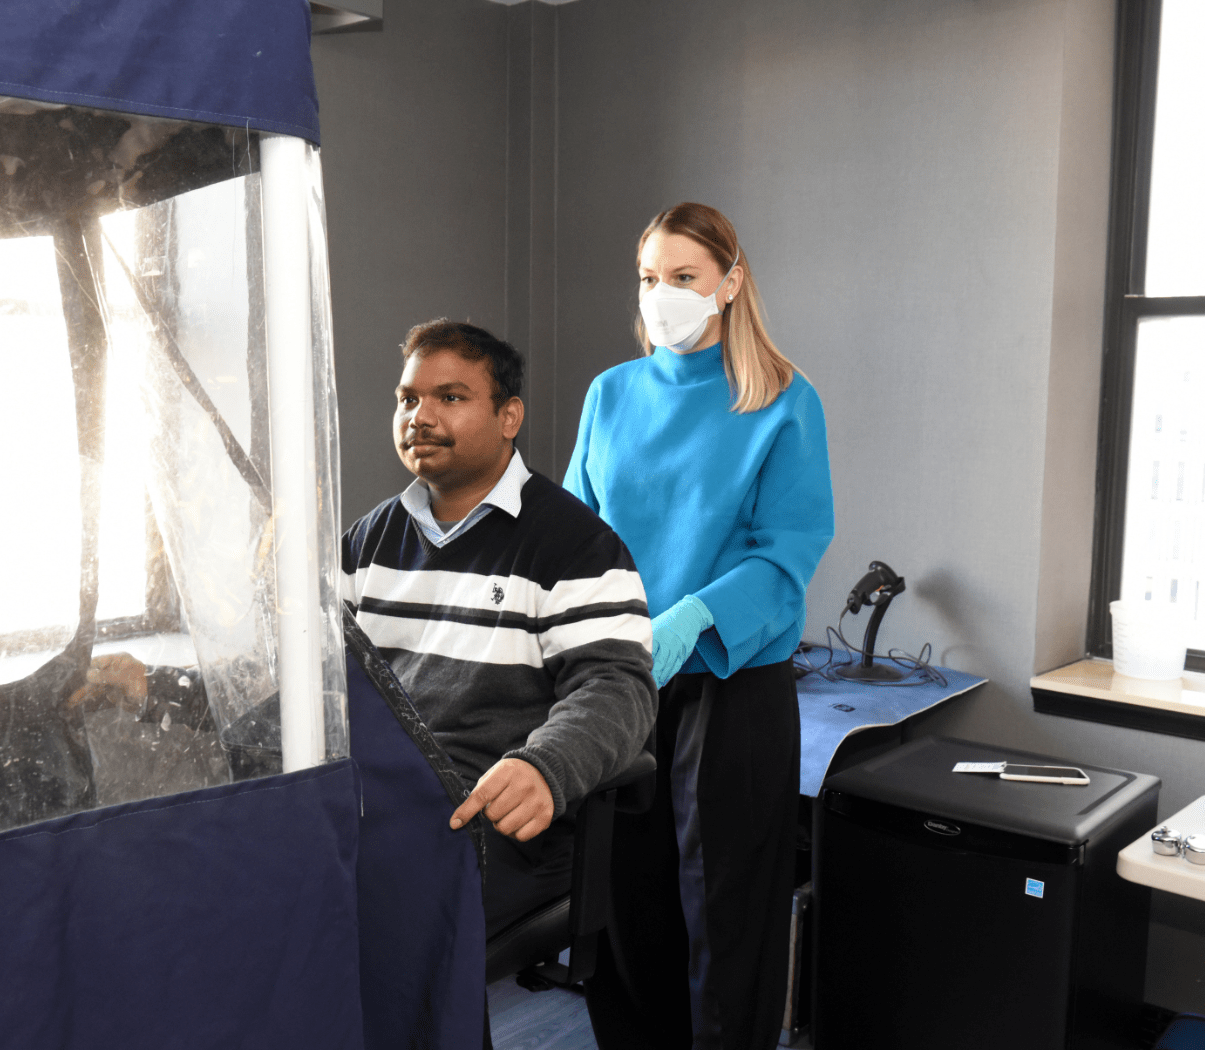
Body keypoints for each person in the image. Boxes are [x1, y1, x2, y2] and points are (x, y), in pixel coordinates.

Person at [565, 203, 834, 1050]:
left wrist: (694, 614)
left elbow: (788, 550)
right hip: (620, 682)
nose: (664, 294)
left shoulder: (784, 401)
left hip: (727, 683)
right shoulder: (612, 394)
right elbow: (575, 530)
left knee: (720, 915)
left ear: (729, 282)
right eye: (650, 278)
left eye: (684, 277)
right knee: (621, 910)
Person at [339, 319, 657, 940]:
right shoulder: (370, 539)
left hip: (492, 820)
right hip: (378, 805)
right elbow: (313, 671)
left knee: (358, 915)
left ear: (509, 417)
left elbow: (618, 687)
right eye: (409, 399)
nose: (420, 416)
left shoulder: (575, 542)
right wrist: (172, 690)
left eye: (450, 398)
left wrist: (545, 766)